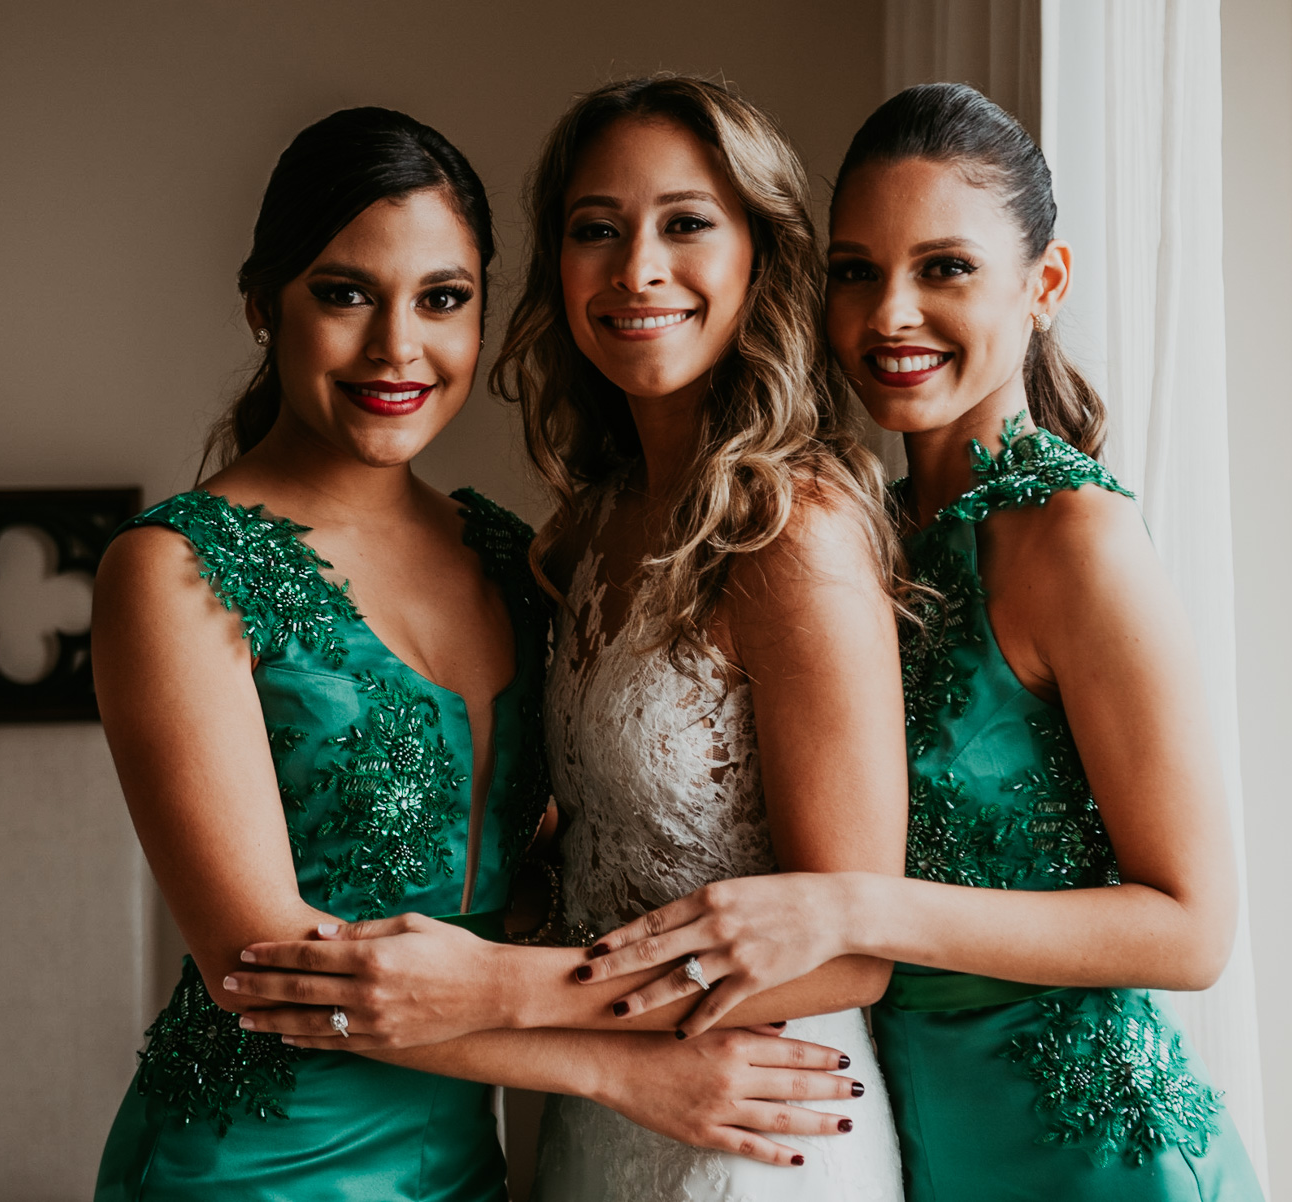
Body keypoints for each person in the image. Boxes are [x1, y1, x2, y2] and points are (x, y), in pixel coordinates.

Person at [91, 105, 862, 1202]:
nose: (398, 346)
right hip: (251, 1165)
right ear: (263, 305)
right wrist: (618, 1065)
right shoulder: (172, 568)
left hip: (467, 1168)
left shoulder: (517, 556)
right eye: (344, 292)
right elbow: (258, 968)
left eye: (443, 298)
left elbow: (541, 877)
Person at [572, 84, 1268, 1200]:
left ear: (1044, 285)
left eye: (944, 268)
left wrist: (852, 906)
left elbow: (1191, 928)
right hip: (909, 1131)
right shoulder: (875, 530)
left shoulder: (1073, 534)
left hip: (1086, 1148)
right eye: (857, 271)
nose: (891, 313)